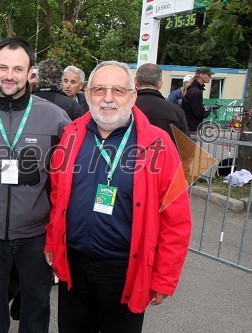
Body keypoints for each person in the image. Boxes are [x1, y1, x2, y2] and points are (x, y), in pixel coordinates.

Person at [44, 61, 192, 333]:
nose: (108, 98)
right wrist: (53, 241)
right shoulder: (71, 134)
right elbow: (57, 197)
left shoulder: (158, 144)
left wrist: (164, 278)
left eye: (118, 90)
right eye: (100, 89)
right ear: (87, 94)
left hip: (126, 271)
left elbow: (177, 219)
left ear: (133, 95)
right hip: (74, 267)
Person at [0, 36, 70, 333]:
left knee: (35, 305)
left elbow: (68, 176)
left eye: (18, 69)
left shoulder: (56, 118)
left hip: (36, 233)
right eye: (3, 67)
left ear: (30, 72)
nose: (9, 75)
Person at [134, 63, 189, 143]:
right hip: (166, 154)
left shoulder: (125, 108)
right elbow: (185, 148)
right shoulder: (177, 111)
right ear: (160, 84)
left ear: (135, 81)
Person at [181, 66, 214, 133]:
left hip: (189, 126)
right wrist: (206, 110)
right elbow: (198, 113)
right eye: (209, 75)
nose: (210, 77)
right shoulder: (195, 91)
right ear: (201, 75)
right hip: (191, 128)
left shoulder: (193, 88)